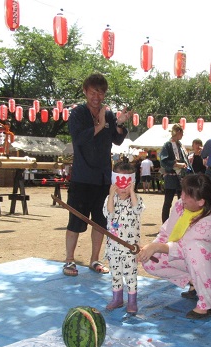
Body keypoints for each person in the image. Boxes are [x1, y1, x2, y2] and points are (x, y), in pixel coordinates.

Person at [137, 174, 211, 319]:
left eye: (187, 194)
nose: (182, 196)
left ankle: (206, 304)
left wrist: (157, 247)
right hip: (192, 257)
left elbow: (184, 247)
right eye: (183, 191)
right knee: (151, 261)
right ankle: (194, 282)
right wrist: (150, 249)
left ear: (201, 201)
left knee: (195, 248)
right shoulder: (180, 206)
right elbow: (167, 232)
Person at [63, 73, 131, 277]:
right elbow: (79, 139)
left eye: (100, 92)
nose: (97, 96)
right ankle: (69, 261)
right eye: (93, 92)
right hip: (82, 177)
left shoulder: (108, 114)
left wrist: (118, 124)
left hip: (103, 178)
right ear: (85, 91)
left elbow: (116, 141)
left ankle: (95, 259)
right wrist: (100, 124)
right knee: (76, 221)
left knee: (101, 222)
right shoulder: (77, 114)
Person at [103, 161, 145, 313]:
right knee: (115, 274)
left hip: (130, 249)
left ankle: (132, 301)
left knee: (131, 275)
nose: (123, 188)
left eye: (127, 183)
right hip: (113, 248)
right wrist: (111, 195)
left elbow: (137, 210)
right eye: (119, 182)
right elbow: (109, 214)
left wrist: (132, 192)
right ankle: (117, 299)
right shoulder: (110, 200)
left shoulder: (137, 199)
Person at [159, 124, 188, 223]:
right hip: (171, 176)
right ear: (178, 132)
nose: (183, 135)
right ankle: (165, 224)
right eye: (182, 133)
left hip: (181, 177)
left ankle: (181, 222)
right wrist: (175, 164)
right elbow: (163, 161)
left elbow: (185, 159)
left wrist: (184, 164)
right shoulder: (167, 145)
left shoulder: (180, 145)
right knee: (168, 202)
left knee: (183, 201)